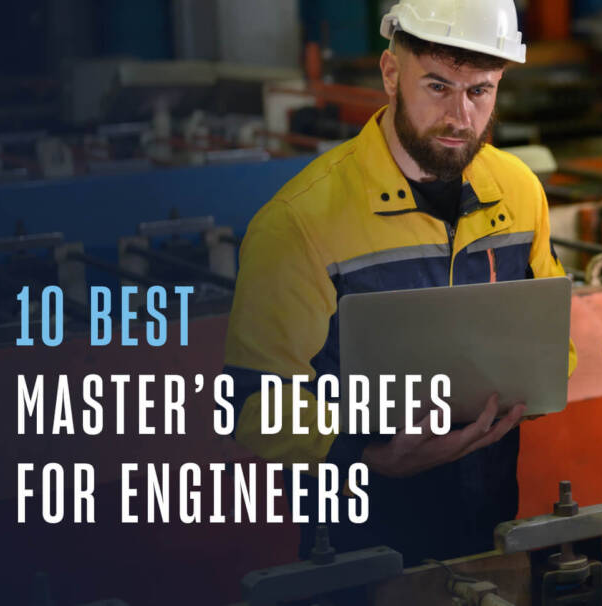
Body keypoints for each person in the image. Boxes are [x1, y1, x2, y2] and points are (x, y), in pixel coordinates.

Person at [223, 0, 575, 564]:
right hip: (356, 542)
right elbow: (250, 402)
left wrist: (535, 383)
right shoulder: (300, 222)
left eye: (480, 91)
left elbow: (555, 344)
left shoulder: (519, 191)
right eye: (438, 86)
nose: (460, 117)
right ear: (391, 73)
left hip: (487, 527)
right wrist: (365, 451)